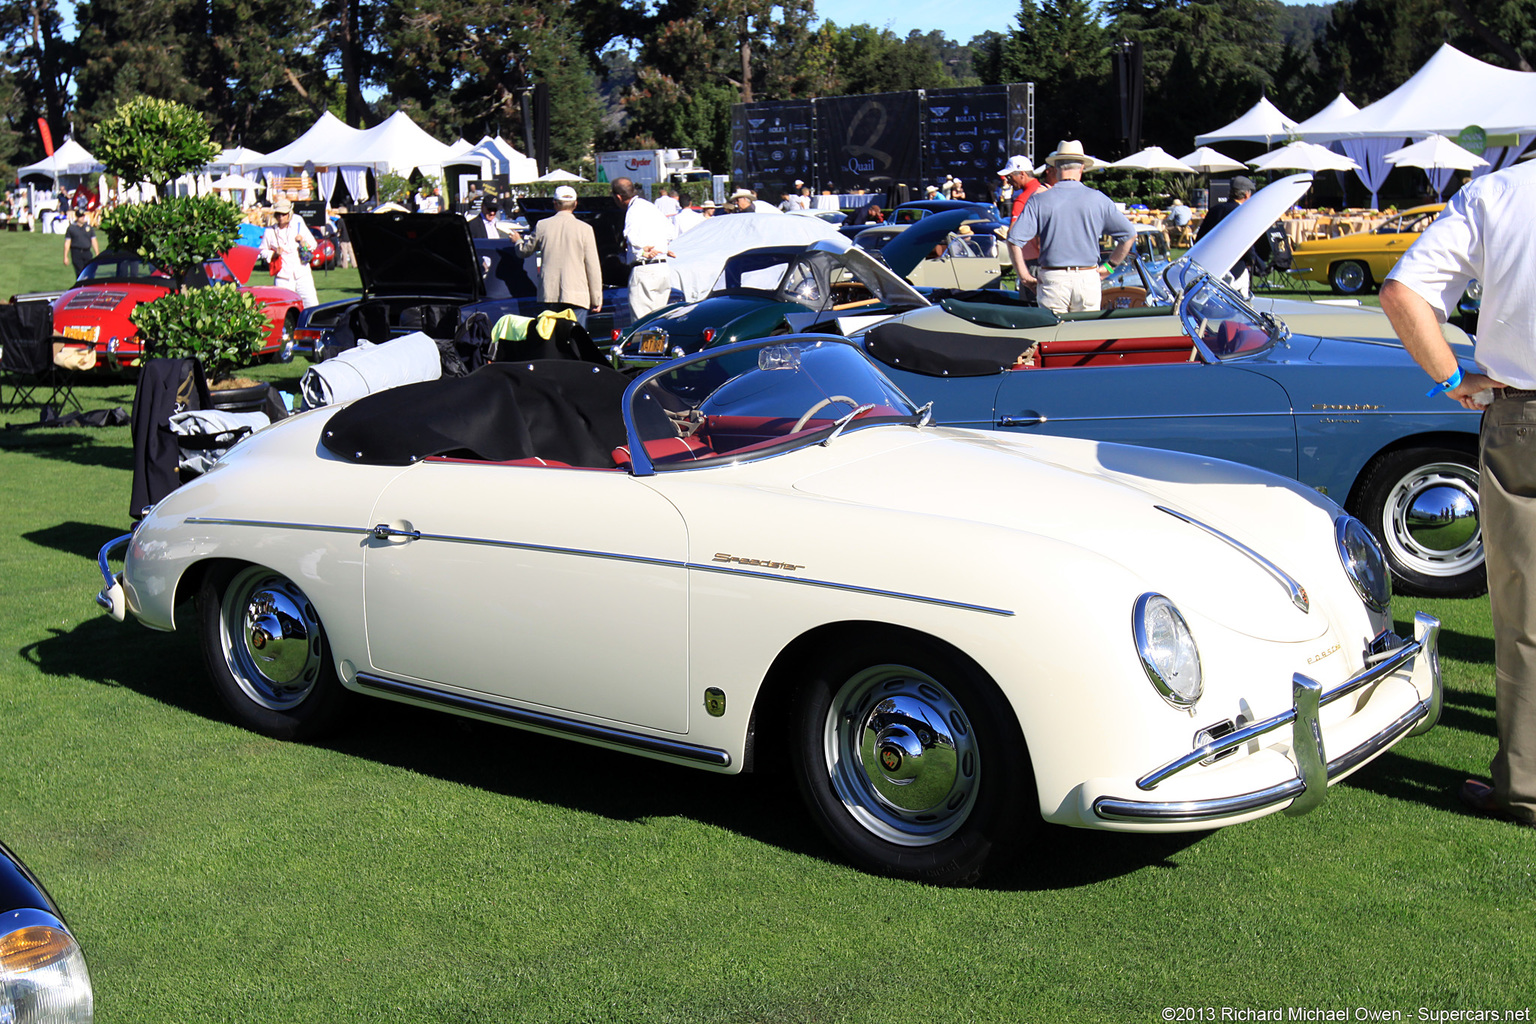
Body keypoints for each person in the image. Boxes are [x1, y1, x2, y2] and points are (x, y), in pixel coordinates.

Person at [1380, 159, 1536, 830]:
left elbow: (1403, 293)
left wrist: (1452, 381)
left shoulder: (1499, 193)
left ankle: (1528, 785)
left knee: (1527, 609)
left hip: (1523, 415)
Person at [1005, 140, 1133, 314]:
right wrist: (1110, 266)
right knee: (1086, 338)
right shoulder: (1098, 199)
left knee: (1053, 338)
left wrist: (1025, 277)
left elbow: (1013, 240)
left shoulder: (1039, 200)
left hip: (1053, 279)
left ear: (1056, 168)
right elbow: (1129, 235)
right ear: (1081, 168)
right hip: (1088, 278)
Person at [516, 184, 603, 328]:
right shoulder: (585, 229)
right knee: (575, 338)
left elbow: (524, 251)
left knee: (551, 337)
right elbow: (592, 266)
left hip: (550, 293)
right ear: (575, 204)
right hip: (577, 294)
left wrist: (517, 240)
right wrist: (596, 298)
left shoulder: (542, 225)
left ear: (555, 204)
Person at [612, 176, 674, 322]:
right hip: (663, 269)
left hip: (644, 269)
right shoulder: (650, 206)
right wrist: (662, 247)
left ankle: (646, 346)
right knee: (659, 322)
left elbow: (631, 236)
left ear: (619, 197)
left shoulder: (633, 210)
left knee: (642, 324)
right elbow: (671, 231)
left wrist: (642, 249)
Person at [1193, 175, 1261, 294]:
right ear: (1247, 194)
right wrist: (1252, 260)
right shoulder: (1242, 212)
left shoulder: (1214, 210)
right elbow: (1245, 242)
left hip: (1211, 267)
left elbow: (1200, 239)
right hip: (1236, 268)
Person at [258, 198, 319, 308]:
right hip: (283, 277)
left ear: (289, 214)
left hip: (302, 275)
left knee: (311, 306)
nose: (281, 217)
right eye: (278, 214)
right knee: (285, 308)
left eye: (284, 214)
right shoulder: (270, 231)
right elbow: (261, 251)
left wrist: (302, 242)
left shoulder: (298, 225)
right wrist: (274, 254)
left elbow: (313, 245)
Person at [63, 208, 99, 276]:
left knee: (90, 272)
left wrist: (97, 253)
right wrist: (65, 256)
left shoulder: (89, 228)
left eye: (83, 216)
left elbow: (94, 240)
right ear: (77, 217)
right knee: (80, 273)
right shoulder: (71, 228)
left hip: (87, 252)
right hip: (76, 253)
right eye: (80, 216)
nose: (82, 218)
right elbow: (67, 242)